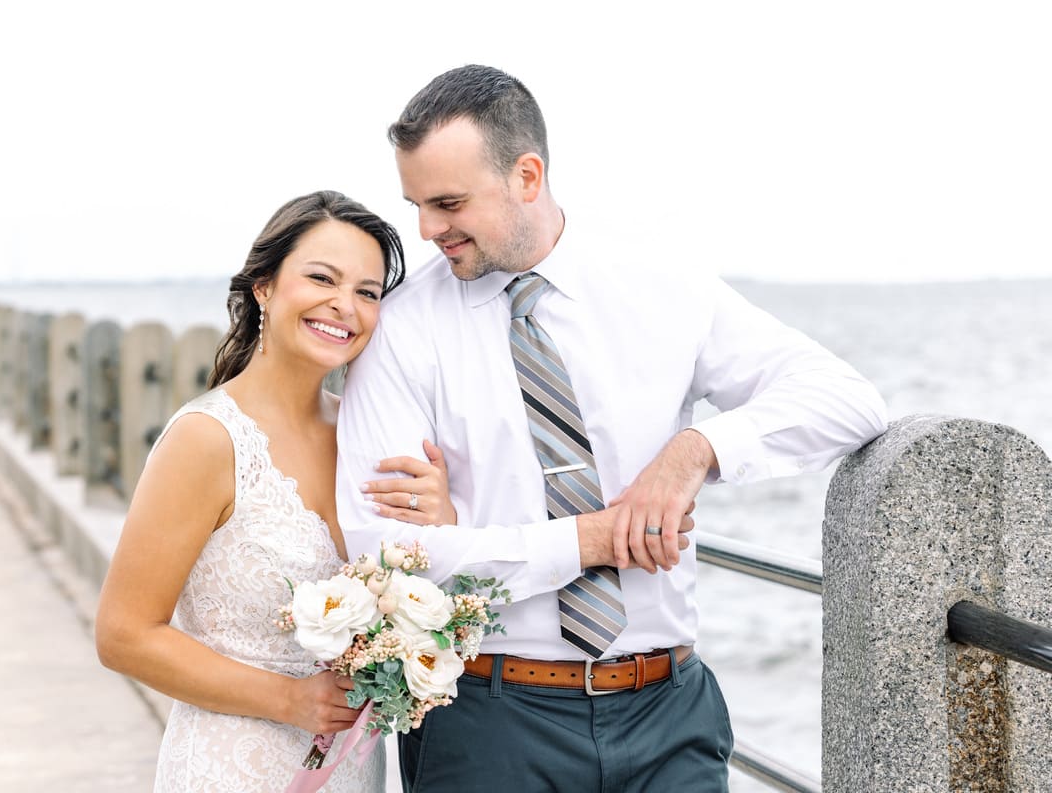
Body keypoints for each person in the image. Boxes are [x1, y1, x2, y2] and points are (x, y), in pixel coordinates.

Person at [335, 66, 890, 791]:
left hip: (668, 715)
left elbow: (846, 399)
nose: (427, 230)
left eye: (448, 203)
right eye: (417, 205)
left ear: (527, 176)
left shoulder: (662, 287)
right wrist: (587, 541)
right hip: (489, 726)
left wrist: (697, 451)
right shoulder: (403, 331)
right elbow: (387, 556)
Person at [95, 190, 456, 792]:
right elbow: (123, 635)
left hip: (352, 768)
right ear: (263, 286)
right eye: (322, 278)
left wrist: (441, 518)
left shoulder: (370, 437)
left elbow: (424, 592)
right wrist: (289, 700)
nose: (344, 306)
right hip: (231, 762)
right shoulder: (206, 440)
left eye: (367, 292)